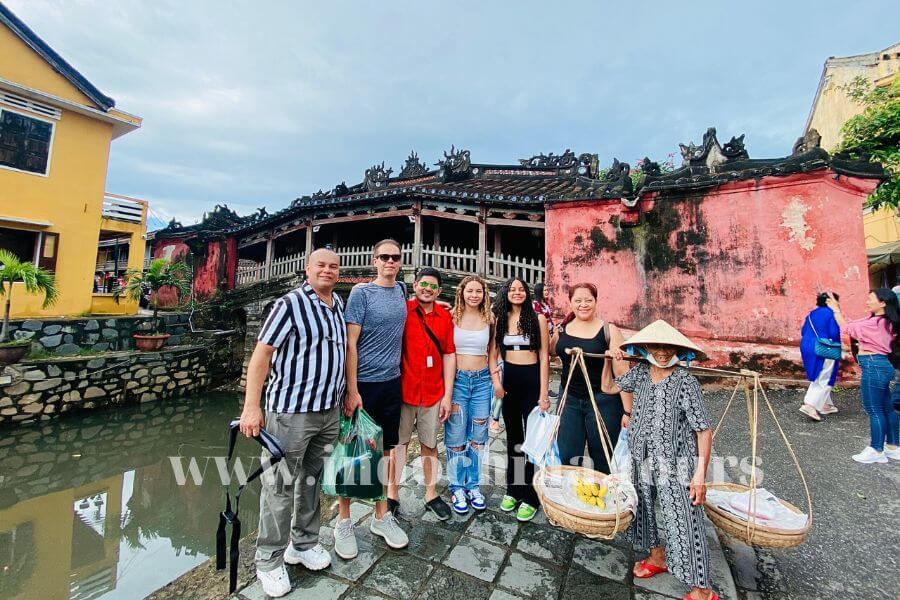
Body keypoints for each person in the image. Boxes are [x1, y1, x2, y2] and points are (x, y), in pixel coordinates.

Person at [238, 248, 345, 598]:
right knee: (278, 487)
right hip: (290, 413)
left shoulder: (338, 305)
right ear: (307, 268)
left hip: (328, 411)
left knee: (312, 481)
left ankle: (302, 543)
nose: (327, 271)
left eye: (333, 266)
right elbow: (262, 355)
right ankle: (268, 560)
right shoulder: (289, 304)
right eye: (321, 265)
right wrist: (251, 407)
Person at [610, 320, 717, 600]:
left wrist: (699, 474)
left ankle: (702, 590)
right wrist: (615, 361)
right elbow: (609, 386)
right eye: (656, 346)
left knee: (684, 520)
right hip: (641, 457)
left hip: (676, 463)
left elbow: (703, 430)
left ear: (678, 351)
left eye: (668, 347)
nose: (661, 352)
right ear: (645, 347)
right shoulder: (641, 373)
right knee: (643, 511)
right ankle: (657, 557)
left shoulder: (685, 382)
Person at [338, 239, 409, 558]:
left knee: (383, 453)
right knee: (354, 453)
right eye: (384, 257)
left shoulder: (402, 291)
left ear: (400, 261)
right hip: (364, 384)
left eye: (395, 257)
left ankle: (381, 517)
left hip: (392, 383)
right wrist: (352, 391)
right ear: (374, 260)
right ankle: (343, 521)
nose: (390, 262)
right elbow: (351, 344)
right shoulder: (361, 293)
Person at [390, 267, 456, 521]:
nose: (427, 289)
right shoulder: (402, 310)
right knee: (399, 445)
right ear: (414, 285)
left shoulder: (444, 317)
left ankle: (431, 493)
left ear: (439, 291)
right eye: (423, 284)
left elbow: (449, 354)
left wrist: (447, 395)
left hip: (433, 392)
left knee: (430, 445)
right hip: (403, 390)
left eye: (432, 287)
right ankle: (392, 493)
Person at [549, 283, 631, 473]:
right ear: (570, 303)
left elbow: (623, 375)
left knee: (603, 456)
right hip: (569, 400)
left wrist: (628, 412)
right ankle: (572, 499)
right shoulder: (563, 328)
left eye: (588, 300)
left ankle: (602, 498)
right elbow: (552, 350)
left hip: (603, 401)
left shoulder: (609, 331)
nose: (583, 305)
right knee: (568, 455)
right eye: (578, 300)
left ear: (596, 301)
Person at [490, 277, 550, 522]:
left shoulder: (538, 319)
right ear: (506, 293)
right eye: (512, 289)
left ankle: (531, 496)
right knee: (514, 437)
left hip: (532, 381)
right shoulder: (500, 320)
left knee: (533, 443)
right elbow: (492, 355)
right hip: (510, 383)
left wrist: (544, 393)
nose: (517, 292)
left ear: (527, 293)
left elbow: (545, 357)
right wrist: (496, 382)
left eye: (521, 289)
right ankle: (514, 489)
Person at [826, 289, 900, 464]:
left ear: (883, 303)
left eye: (871, 299)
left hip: (873, 365)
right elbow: (854, 324)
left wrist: (836, 310)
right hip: (881, 365)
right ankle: (893, 446)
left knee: (874, 409)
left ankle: (876, 449)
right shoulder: (885, 322)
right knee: (887, 407)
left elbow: (846, 328)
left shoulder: (875, 323)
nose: (867, 302)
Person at [446, 275, 497, 514]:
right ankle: (456, 486)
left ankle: (473, 485)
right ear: (462, 293)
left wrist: (496, 380)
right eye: (470, 291)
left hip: (482, 381)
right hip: (457, 381)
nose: (474, 295)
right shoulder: (451, 316)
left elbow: (493, 351)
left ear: (484, 294)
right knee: (456, 436)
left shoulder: (490, 318)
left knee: (478, 436)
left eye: (478, 291)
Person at [798, 292, 842, 421]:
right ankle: (810, 404)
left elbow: (803, 331)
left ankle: (824, 404)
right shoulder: (832, 313)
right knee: (826, 376)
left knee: (818, 373)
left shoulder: (812, 314)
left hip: (807, 345)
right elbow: (833, 333)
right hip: (823, 346)